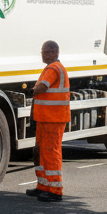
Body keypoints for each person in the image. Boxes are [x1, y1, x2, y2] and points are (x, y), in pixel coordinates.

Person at [26, 40, 70, 203]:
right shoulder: (53, 68)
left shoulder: (53, 68)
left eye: (47, 52)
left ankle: (55, 190)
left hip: (53, 118)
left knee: (50, 151)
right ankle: (43, 186)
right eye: (43, 52)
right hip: (47, 117)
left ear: (55, 52)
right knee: (41, 152)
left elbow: (42, 87)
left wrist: (31, 90)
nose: (44, 55)